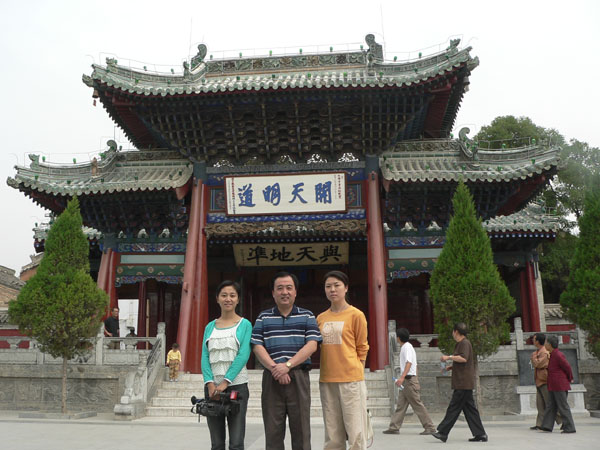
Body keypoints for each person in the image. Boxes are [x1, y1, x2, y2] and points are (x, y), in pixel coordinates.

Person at [251, 271, 322, 450]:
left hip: (298, 377)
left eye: (289, 288)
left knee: (301, 430)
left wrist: (288, 365)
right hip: (272, 377)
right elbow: (257, 346)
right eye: (280, 288)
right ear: (273, 293)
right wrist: (276, 368)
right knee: (273, 431)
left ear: (295, 292)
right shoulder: (263, 317)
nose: (285, 292)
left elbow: (312, 345)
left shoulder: (307, 316)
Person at [317, 270, 370, 450]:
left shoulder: (356, 315)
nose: (332, 290)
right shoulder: (321, 318)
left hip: (351, 380)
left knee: (356, 430)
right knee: (332, 433)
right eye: (328, 286)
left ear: (346, 288)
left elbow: (362, 347)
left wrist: (358, 373)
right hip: (327, 380)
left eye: (336, 285)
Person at [202, 280, 252, 450]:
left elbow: (243, 355)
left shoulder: (245, 325)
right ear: (217, 298)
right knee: (216, 443)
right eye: (224, 295)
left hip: (236, 387)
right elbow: (205, 356)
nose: (228, 299)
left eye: (232, 295)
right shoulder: (210, 327)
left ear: (238, 299)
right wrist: (210, 384)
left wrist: (225, 383)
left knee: (236, 443)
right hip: (212, 389)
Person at [432, 323, 487, 443]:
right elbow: (464, 362)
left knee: (454, 407)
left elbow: (464, 358)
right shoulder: (461, 343)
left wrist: (448, 357)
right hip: (464, 382)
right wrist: (451, 367)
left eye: (453, 331)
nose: (453, 333)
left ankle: (443, 432)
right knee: (470, 410)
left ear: (456, 331)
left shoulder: (464, 343)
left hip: (463, 382)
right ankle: (480, 434)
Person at [384, 327, 436, 436]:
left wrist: (402, 377)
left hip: (408, 380)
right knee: (401, 405)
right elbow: (414, 365)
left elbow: (409, 363)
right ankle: (394, 427)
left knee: (417, 404)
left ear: (398, 338)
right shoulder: (409, 347)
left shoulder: (406, 347)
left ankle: (429, 427)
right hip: (409, 380)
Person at [540, 335, 576, 434]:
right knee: (551, 405)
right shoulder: (552, 354)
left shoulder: (558, 355)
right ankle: (547, 425)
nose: (545, 345)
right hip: (553, 384)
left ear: (550, 344)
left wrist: (570, 378)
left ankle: (570, 427)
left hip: (559, 385)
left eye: (546, 343)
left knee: (563, 406)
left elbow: (567, 367)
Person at [530, 333, 561, 430]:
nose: (533, 341)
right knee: (540, 404)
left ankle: (563, 420)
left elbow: (538, 364)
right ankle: (540, 424)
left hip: (544, 380)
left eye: (534, 339)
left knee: (549, 403)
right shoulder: (537, 352)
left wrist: (534, 357)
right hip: (539, 380)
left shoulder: (544, 352)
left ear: (538, 341)